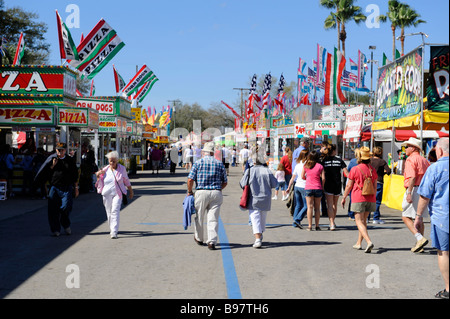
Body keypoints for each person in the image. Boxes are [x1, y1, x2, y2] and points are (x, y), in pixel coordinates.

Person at [415, 138, 449, 299]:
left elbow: (424, 196)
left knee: (444, 252)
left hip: (442, 217)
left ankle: (449, 289)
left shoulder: (435, 169)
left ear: (440, 151)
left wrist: (418, 216)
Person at [187, 142, 228, 250]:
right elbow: (225, 182)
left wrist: (189, 191)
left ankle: (199, 238)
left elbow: (190, 179)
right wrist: (218, 189)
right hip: (216, 192)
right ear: (213, 153)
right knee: (213, 218)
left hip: (201, 192)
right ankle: (212, 241)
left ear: (204, 152)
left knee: (199, 216)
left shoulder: (198, 163)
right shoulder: (219, 164)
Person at [34, 143, 79, 237]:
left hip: (66, 188)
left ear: (65, 151)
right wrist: (52, 166)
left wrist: (76, 188)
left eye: (61, 150)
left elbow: (75, 175)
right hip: (54, 187)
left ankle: (65, 224)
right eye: (58, 150)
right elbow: (45, 173)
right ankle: (55, 229)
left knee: (66, 207)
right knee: (52, 210)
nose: (59, 152)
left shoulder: (69, 160)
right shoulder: (51, 159)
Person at [341, 147, 377, 253]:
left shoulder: (355, 169)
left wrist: (344, 197)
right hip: (370, 198)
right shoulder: (372, 170)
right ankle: (359, 243)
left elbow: (349, 185)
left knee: (358, 221)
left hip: (358, 197)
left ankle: (368, 241)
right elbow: (375, 186)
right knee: (363, 221)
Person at [240, 151, 278, 248]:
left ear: (253, 161)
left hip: (253, 198)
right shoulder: (267, 170)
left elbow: (242, 183)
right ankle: (260, 235)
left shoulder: (249, 171)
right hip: (265, 198)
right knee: (262, 218)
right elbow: (275, 184)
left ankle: (257, 239)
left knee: (255, 218)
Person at [401, 137, 431, 253]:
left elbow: (412, 177)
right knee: (419, 218)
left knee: (405, 216)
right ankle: (420, 244)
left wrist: (409, 192)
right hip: (423, 190)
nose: (405, 149)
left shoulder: (410, 159)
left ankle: (419, 238)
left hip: (414, 189)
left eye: (406, 147)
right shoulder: (424, 160)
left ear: (413, 148)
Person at [95, 151, 133, 239]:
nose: (112, 163)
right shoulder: (105, 170)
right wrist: (97, 176)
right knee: (109, 212)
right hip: (106, 193)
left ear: (117, 161)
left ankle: (114, 231)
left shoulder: (122, 169)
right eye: (110, 161)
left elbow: (126, 180)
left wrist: (131, 191)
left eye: (114, 161)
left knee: (115, 211)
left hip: (118, 193)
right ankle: (112, 228)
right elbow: (99, 182)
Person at [321, 144, 348, 230]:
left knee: (329, 204)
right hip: (337, 184)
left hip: (328, 183)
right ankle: (333, 221)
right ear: (334, 151)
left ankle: (331, 223)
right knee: (334, 204)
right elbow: (346, 173)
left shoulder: (324, 160)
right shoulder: (339, 160)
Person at [301, 151, 325, 231]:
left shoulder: (306, 165)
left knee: (309, 207)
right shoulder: (320, 166)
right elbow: (323, 178)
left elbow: (302, 176)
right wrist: (322, 186)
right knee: (317, 208)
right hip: (318, 187)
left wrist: (307, 179)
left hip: (308, 188)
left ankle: (310, 226)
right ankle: (317, 225)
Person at [287, 149, 309, 229]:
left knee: (298, 205)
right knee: (307, 205)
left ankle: (295, 222)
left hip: (297, 186)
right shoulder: (307, 165)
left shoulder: (297, 165)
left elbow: (293, 177)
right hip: (304, 186)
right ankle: (297, 219)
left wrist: (289, 187)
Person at [370, 146, 391, 224]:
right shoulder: (382, 161)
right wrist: (383, 173)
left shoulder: (370, 160)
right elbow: (389, 171)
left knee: (369, 199)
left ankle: (367, 217)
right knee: (377, 201)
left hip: (370, 181)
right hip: (379, 181)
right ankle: (376, 218)